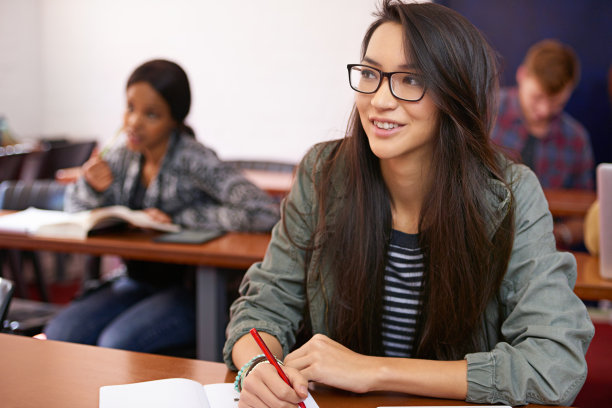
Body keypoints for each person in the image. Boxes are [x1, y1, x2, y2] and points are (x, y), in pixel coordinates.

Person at [223, 1, 593, 406]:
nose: (380, 99)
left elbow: (553, 365)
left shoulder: (511, 194)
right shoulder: (322, 172)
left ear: (456, 93)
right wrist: (257, 366)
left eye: (410, 80)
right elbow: (262, 307)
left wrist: (373, 369)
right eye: (370, 74)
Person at [44, 59, 280, 353]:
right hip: (135, 281)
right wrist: (90, 188)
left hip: (193, 290)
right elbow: (75, 213)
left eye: (151, 114)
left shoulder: (194, 158)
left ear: (174, 120)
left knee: (116, 344)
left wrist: (179, 218)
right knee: (61, 332)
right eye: (130, 108)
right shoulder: (121, 157)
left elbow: (261, 211)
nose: (133, 122)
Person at [491, 39, 594, 249]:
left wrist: (559, 234)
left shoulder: (576, 139)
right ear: (522, 75)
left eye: (556, 103)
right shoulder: (485, 112)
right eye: (537, 97)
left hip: (544, 252)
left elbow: (587, 215)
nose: (544, 110)